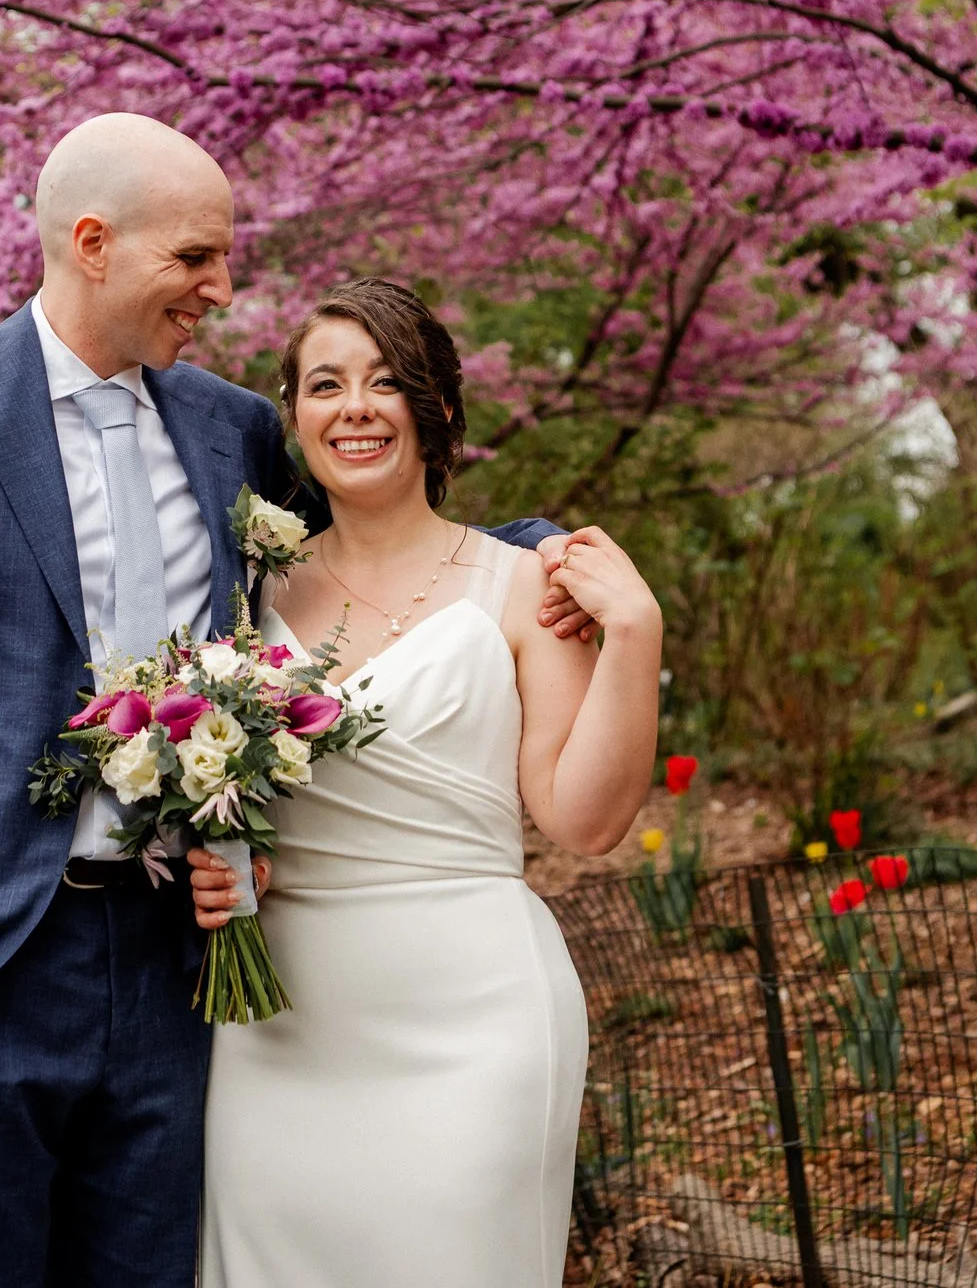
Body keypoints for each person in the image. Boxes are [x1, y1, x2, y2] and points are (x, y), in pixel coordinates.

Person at [0, 114, 591, 1288]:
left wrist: (537, 551)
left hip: (174, 965)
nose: (221, 286)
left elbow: (373, 552)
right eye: (197, 257)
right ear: (95, 242)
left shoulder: (232, 431)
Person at [202, 277, 663, 1288]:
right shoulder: (239, 595)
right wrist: (226, 859)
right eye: (324, 384)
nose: (354, 407)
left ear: (439, 408)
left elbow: (583, 819)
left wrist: (634, 631)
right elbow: (222, 800)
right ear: (294, 415)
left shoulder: (521, 584)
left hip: (474, 1023)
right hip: (277, 1030)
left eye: (386, 382)